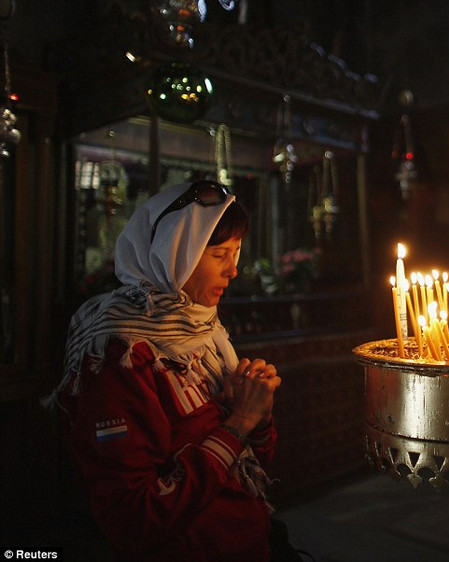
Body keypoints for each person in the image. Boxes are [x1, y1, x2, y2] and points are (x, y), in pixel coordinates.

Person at [47, 180, 297, 561]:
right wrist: (239, 424)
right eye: (219, 255)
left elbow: (253, 465)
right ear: (176, 253)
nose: (234, 270)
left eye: (237, 253)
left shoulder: (203, 333)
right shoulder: (122, 352)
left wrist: (256, 413)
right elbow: (135, 518)